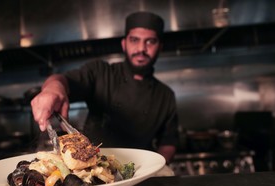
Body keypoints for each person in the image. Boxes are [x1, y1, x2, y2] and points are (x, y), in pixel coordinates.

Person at [31, 11, 179, 164]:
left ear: (160, 47)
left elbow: (168, 143)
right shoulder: (101, 72)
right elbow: (63, 80)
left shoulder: (166, 95)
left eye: (150, 42)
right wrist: (53, 89)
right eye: (135, 40)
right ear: (124, 44)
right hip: (94, 171)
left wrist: (156, 167)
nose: (141, 48)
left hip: (141, 171)